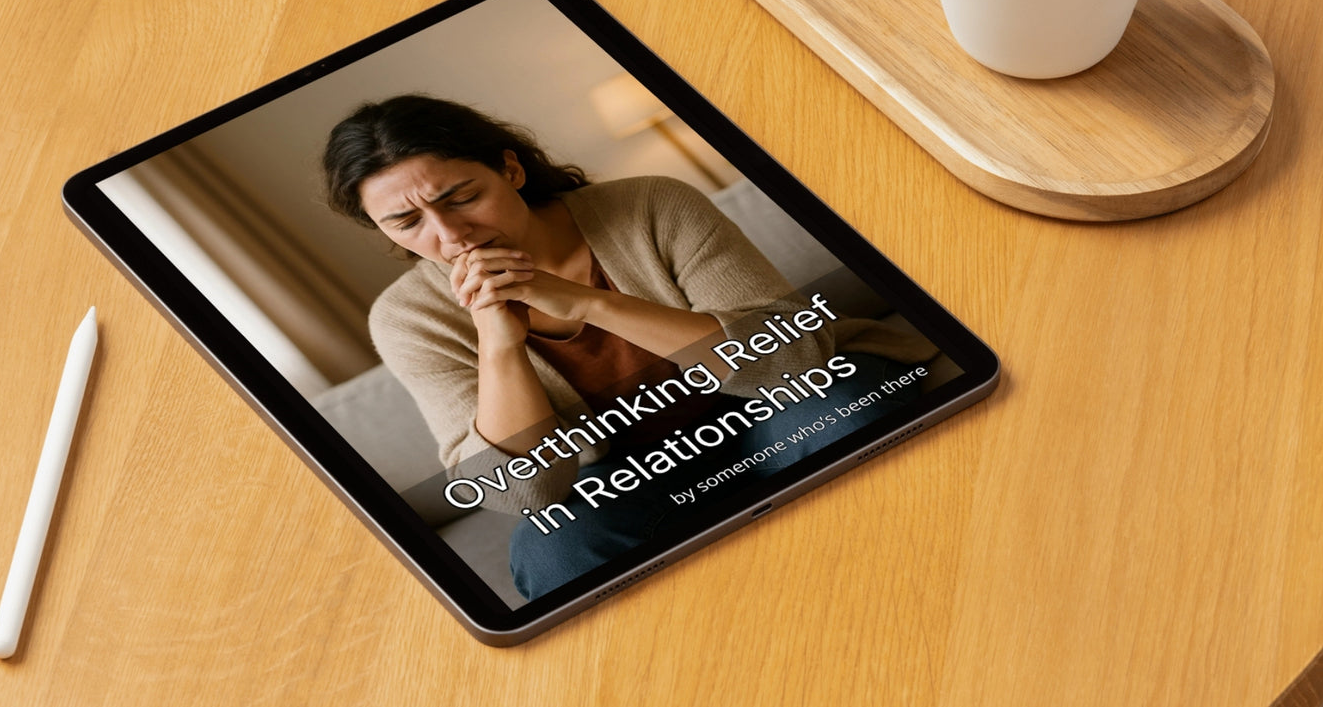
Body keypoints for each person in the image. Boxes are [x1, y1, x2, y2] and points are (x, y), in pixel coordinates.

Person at [322, 94, 933, 600]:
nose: (450, 234)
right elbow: (524, 493)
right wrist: (499, 343)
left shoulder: (650, 205)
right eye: (407, 223)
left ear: (510, 170)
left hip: (775, 410)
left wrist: (592, 303)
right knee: (551, 546)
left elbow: (792, 360)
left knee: (841, 399)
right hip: (629, 476)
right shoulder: (408, 318)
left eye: (461, 197)